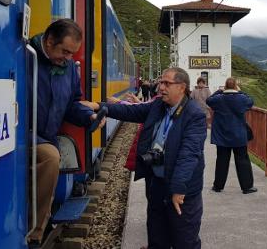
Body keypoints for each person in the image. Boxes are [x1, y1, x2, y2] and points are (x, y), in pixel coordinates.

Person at [84, 67, 207, 249]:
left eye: (166, 83)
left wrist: (179, 189)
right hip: (156, 183)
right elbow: (131, 112)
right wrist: (99, 106)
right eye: (160, 82)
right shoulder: (158, 106)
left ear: (181, 87)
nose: (160, 87)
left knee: (184, 240)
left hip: (181, 190)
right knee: (157, 236)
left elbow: (189, 154)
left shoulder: (194, 115)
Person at [28, 19, 101, 244]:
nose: (69, 58)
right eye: (65, 51)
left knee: (51, 153)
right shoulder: (25, 56)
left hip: (45, 136)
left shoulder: (68, 67)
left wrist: (89, 117)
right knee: (51, 157)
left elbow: (71, 103)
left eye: (72, 53)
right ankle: (36, 232)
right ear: (49, 41)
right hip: (22, 134)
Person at [206, 77, 256, 194]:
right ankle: (247, 187)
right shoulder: (241, 98)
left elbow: (209, 100)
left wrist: (219, 91)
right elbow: (251, 101)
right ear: (235, 87)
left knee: (222, 160)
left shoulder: (218, 99)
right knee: (242, 160)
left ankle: (218, 186)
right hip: (238, 134)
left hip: (222, 135)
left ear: (225, 86)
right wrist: (240, 91)